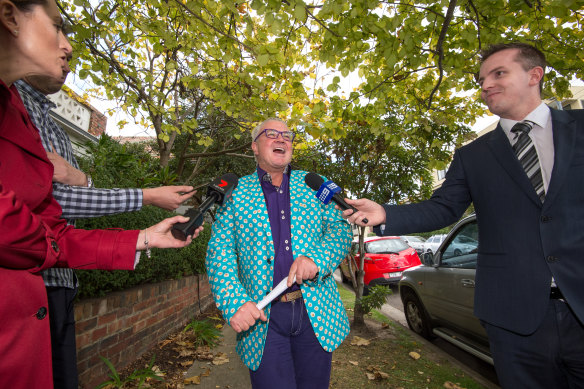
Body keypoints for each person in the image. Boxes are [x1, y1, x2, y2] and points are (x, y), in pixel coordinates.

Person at [342, 43, 584, 389]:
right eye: (481, 79)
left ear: (535, 75)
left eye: (498, 73)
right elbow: (442, 208)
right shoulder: (473, 156)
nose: (485, 85)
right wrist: (382, 212)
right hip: (514, 319)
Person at [0, 1, 202, 387]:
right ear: (10, 16)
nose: (68, 46)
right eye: (57, 27)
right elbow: (41, 219)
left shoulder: (22, 113)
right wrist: (145, 195)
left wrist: (144, 238)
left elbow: (51, 225)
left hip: (44, 303)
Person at [205, 118, 352, 388]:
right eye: (271, 134)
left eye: (287, 135)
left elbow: (340, 230)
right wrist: (233, 302)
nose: (281, 139)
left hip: (317, 315)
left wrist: (317, 260)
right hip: (263, 320)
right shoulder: (235, 193)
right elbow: (220, 253)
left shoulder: (313, 186)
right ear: (254, 146)